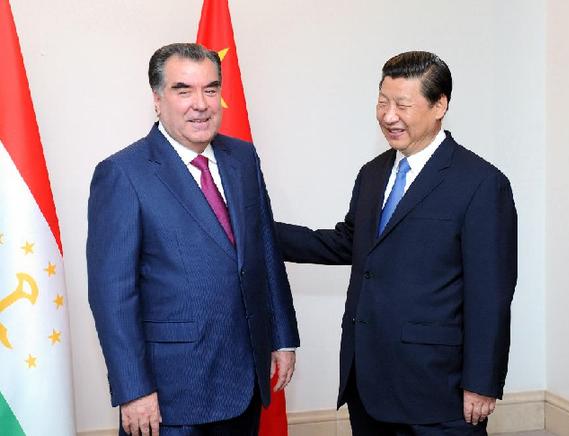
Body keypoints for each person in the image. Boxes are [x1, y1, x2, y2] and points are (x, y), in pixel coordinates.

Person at [276, 51, 517, 435]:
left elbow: (491, 294)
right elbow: (349, 243)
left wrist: (483, 381)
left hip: (438, 390)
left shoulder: (481, 183)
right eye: (383, 102)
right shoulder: (372, 174)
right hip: (368, 382)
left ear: (440, 105)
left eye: (403, 104)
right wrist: (258, 231)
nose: (389, 116)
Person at [87, 43, 299, 436]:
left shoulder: (243, 158)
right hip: (171, 394)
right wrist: (134, 390)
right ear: (157, 99)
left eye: (211, 89)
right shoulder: (123, 174)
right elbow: (113, 295)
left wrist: (283, 337)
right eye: (183, 90)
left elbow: (265, 250)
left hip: (245, 379)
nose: (200, 104)